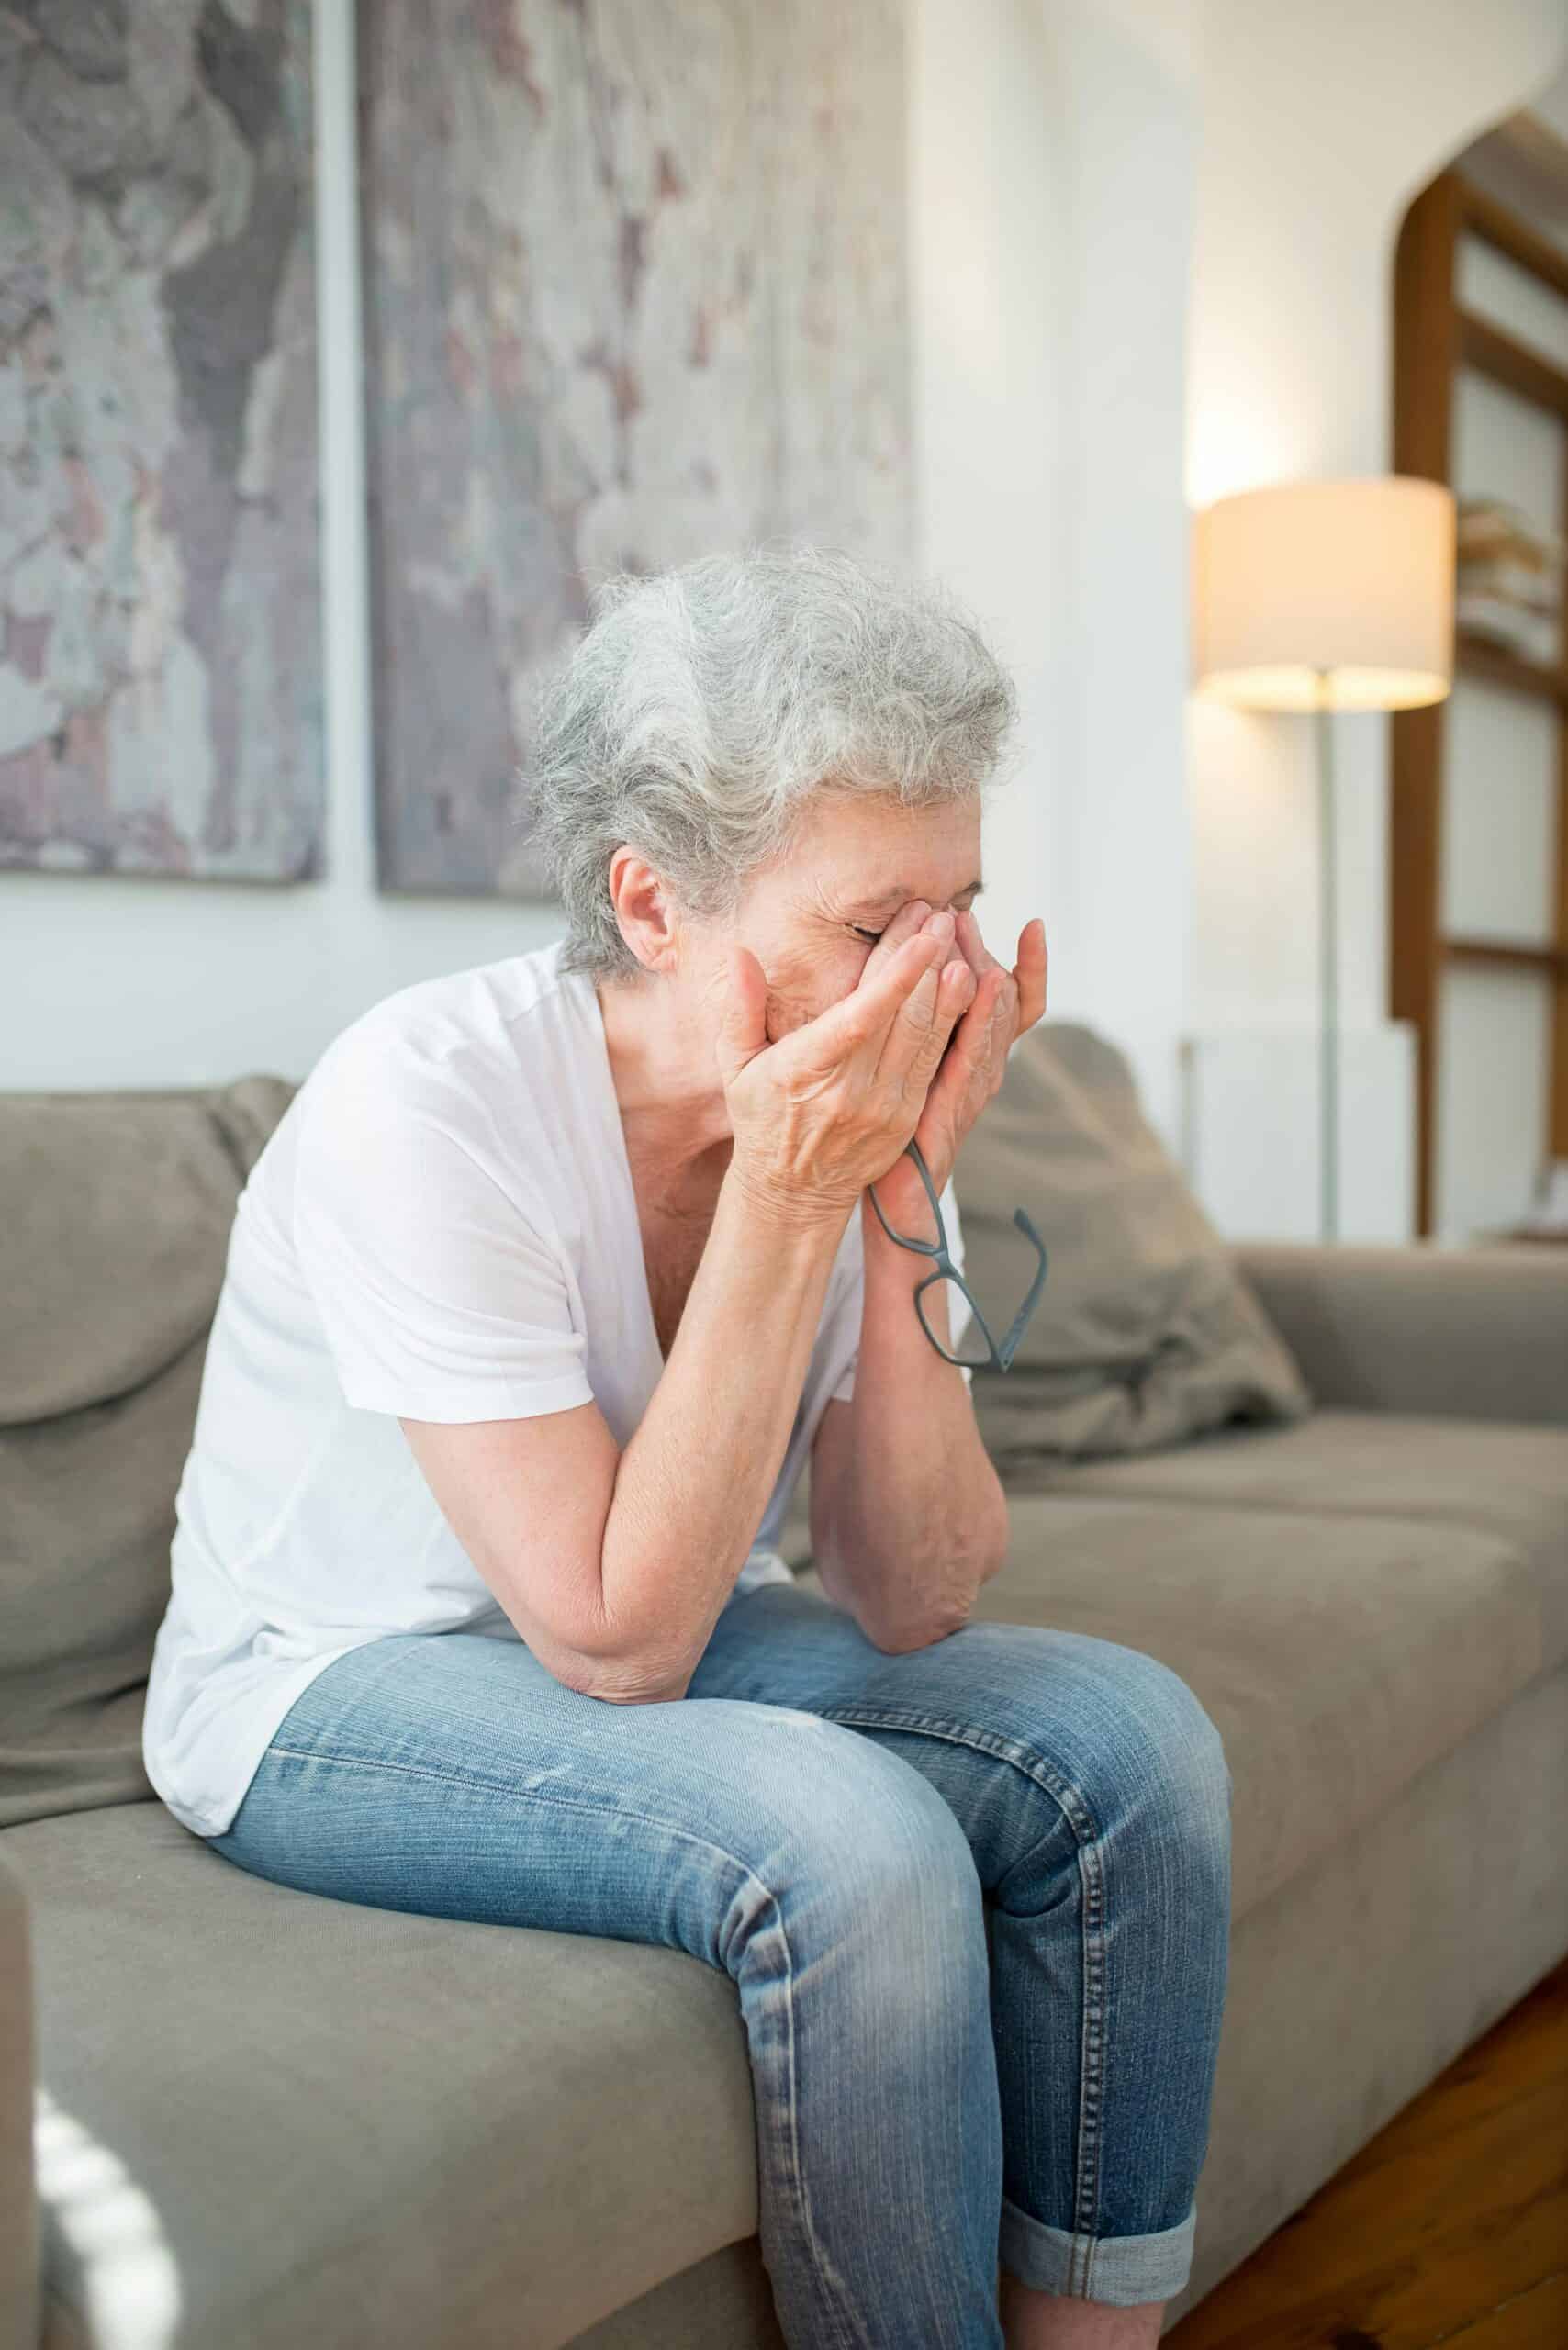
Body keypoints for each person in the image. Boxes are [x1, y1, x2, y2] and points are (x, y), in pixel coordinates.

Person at [142, 541, 1231, 2350]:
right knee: (852, 1838)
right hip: (329, 1679)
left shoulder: (833, 1107)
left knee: (1129, 1745)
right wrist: (798, 1200)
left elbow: (910, 1585)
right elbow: (619, 1634)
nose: (944, 976)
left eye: (961, 907)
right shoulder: (430, 1100)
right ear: (653, 905)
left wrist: (905, 1191)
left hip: (620, 1623)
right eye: (877, 927)